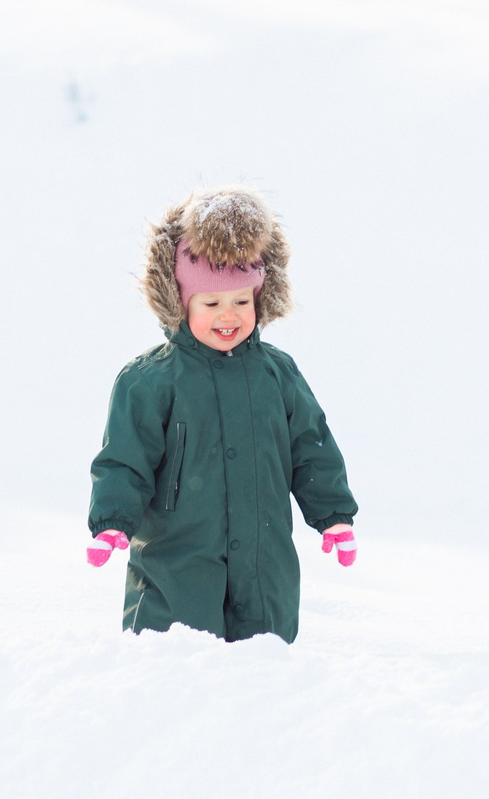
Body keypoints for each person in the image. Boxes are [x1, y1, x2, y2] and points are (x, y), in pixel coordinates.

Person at [85, 188, 358, 644]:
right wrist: (113, 520)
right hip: (177, 569)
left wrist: (333, 514)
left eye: (242, 302)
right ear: (180, 302)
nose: (228, 316)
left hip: (264, 569)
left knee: (263, 664)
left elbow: (311, 447)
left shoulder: (277, 374)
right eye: (211, 304)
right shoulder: (149, 381)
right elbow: (124, 461)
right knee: (178, 661)